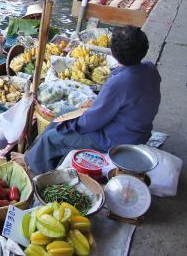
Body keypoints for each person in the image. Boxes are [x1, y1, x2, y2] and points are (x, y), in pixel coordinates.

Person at [24, 26, 161, 175]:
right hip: (137, 130)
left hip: (116, 139)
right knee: (63, 114)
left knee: (52, 138)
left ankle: (35, 171)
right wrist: (77, 114)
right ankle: (31, 156)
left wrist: (71, 124)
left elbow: (91, 122)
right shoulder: (150, 68)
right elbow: (126, 102)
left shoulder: (119, 82)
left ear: (113, 53)